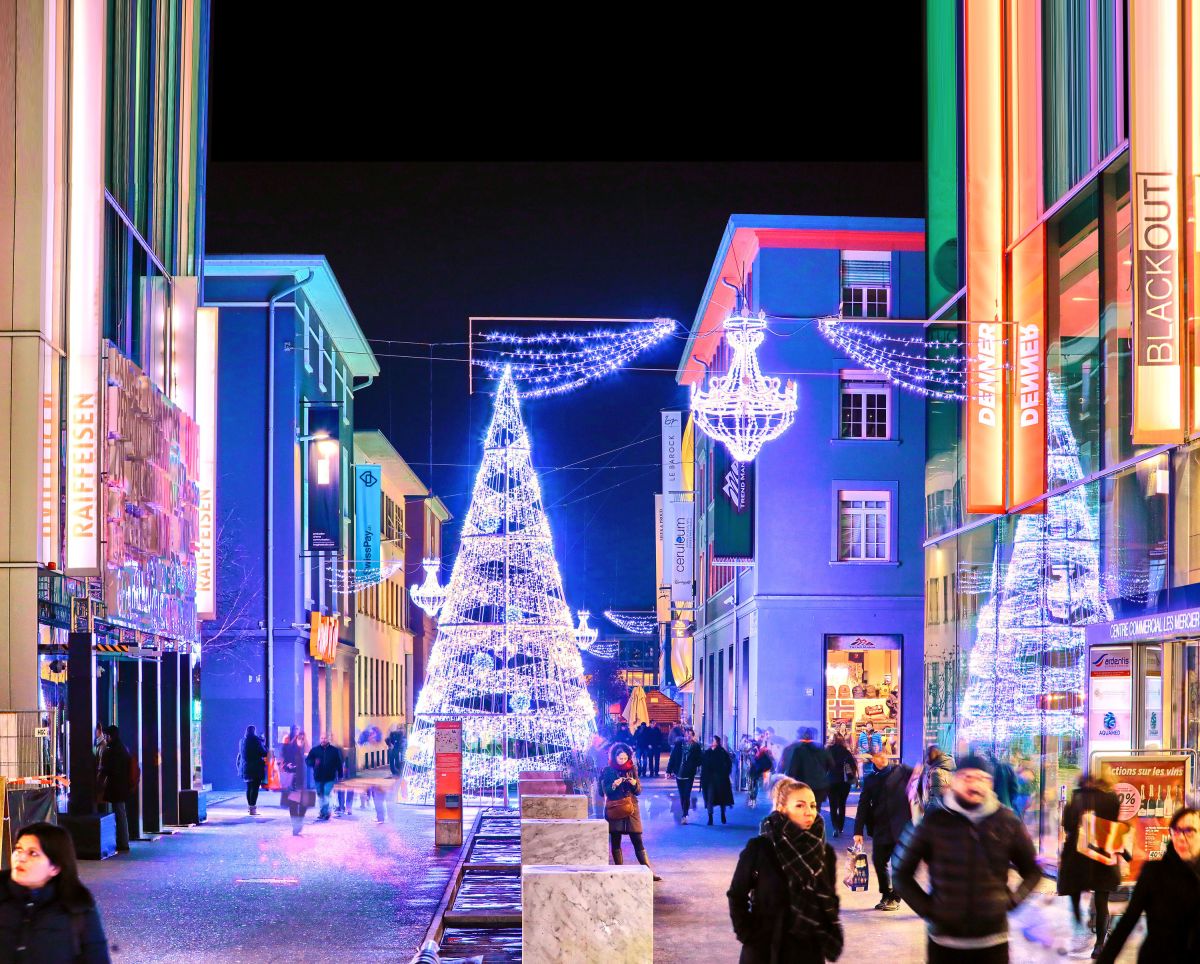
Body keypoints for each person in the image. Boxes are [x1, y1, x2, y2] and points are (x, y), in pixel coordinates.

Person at [892, 753, 1041, 963]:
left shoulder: (1008, 821)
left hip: (993, 943)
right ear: (954, 780)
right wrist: (930, 910)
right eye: (967, 778)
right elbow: (900, 873)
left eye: (981, 779)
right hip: (944, 945)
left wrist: (1012, 901)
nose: (974, 785)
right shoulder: (933, 820)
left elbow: (1033, 870)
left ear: (990, 783)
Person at [727, 777, 843, 964]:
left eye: (813, 806)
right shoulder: (760, 848)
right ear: (782, 808)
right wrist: (747, 934)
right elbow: (736, 895)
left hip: (808, 951)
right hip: (765, 949)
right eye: (800, 806)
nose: (809, 812)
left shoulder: (824, 853)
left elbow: (829, 897)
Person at [1096, 806, 1200, 963]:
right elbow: (1128, 921)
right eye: (1176, 831)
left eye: (1189, 831)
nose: (1180, 837)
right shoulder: (1154, 872)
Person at [0, 822, 110, 963]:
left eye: (33, 853)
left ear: (55, 868)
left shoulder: (77, 906)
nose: (20, 858)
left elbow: (97, 957)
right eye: (19, 849)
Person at [1057, 774, 1122, 959]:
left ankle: (1079, 918)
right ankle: (1099, 945)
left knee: (1075, 889)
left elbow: (1068, 825)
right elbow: (1115, 823)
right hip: (1103, 853)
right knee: (1102, 901)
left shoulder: (1076, 798)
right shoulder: (1112, 798)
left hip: (1078, 855)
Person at [853, 748, 913, 911]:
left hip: (901, 826)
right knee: (879, 861)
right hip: (880, 826)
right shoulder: (871, 779)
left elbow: (919, 780)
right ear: (872, 759)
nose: (881, 758)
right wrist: (858, 831)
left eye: (883, 754)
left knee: (897, 864)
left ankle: (896, 897)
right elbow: (863, 805)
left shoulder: (901, 771)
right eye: (877, 756)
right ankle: (886, 894)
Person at [600, 743, 660, 880]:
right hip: (615, 808)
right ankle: (619, 871)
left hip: (631, 808)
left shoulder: (632, 768)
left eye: (625, 758)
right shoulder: (608, 771)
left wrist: (634, 784)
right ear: (614, 757)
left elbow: (638, 791)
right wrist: (614, 785)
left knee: (637, 839)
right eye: (620, 758)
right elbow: (604, 792)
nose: (622, 761)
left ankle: (648, 872)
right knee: (616, 840)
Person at [96, 725, 132, 853]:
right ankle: (123, 841)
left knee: (119, 813)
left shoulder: (113, 750)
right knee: (121, 813)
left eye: (107, 735)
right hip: (122, 787)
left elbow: (107, 770)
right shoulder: (122, 748)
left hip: (116, 787)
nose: (106, 737)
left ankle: (122, 842)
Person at [785, 728, 832, 812]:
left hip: (804, 785)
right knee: (816, 809)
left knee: (803, 809)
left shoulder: (798, 750)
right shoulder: (822, 749)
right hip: (820, 785)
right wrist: (823, 773)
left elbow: (792, 770)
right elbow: (831, 764)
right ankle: (815, 822)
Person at [666, 727, 703, 824]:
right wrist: (669, 770)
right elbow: (672, 757)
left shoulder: (696, 747)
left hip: (689, 774)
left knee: (687, 794)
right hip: (679, 773)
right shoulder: (679, 745)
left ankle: (685, 814)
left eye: (690, 735)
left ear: (693, 736)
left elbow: (700, 759)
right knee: (682, 795)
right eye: (686, 734)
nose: (688, 736)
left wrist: (693, 764)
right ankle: (684, 811)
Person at [306, 733, 344, 821]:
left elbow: (339, 763)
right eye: (321, 738)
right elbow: (307, 760)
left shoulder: (334, 750)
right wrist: (314, 763)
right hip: (318, 777)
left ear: (328, 739)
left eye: (325, 738)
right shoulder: (314, 750)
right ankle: (323, 811)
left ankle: (325, 813)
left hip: (330, 777)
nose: (323, 740)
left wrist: (340, 775)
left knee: (326, 793)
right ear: (320, 739)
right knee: (320, 794)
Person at [279, 728, 310, 835]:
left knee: (304, 804)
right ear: (296, 738)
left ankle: (298, 823)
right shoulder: (291, 749)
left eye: (303, 739)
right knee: (293, 804)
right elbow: (284, 761)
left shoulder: (304, 750)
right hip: (292, 780)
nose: (301, 741)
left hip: (302, 781)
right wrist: (289, 766)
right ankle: (295, 826)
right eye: (300, 738)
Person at [826, 733, 857, 837]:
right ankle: (840, 827)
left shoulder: (828, 751)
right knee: (842, 804)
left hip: (831, 781)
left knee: (832, 805)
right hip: (844, 782)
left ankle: (835, 827)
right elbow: (853, 766)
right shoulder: (846, 752)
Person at [702, 735, 735, 825]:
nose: (711, 742)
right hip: (710, 780)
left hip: (720, 779)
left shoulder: (722, 752)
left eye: (713, 740)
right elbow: (704, 765)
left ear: (717, 742)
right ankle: (710, 817)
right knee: (710, 797)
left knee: (722, 798)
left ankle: (722, 814)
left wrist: (725, 773)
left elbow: (728, 764)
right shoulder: (707, 752)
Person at [237, 724, 267, 816]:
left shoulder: (242, 741)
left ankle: (250, 808)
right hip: (255, 768)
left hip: (245, 768)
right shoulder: (255, 740)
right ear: (254, 731)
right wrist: (264, 745)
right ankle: (252, 809)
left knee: (249, 788)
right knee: (255, 788)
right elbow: (263, 753)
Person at [916, 744, 955, 812]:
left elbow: (935, 799)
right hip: (947, 811)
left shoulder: (935, 773)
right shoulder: (948, 769)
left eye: (927, 756)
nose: (926, 759)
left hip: (937, 814)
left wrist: (925, 811)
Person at [747, 741, 775, 810]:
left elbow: (752, 761)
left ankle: (752, 798)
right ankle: (753, 799)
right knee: (754, 784)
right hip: (757, 771)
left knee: (752, 784)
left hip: (753, 770)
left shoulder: (755, 752)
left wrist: (751, 758)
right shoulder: (762, 753)